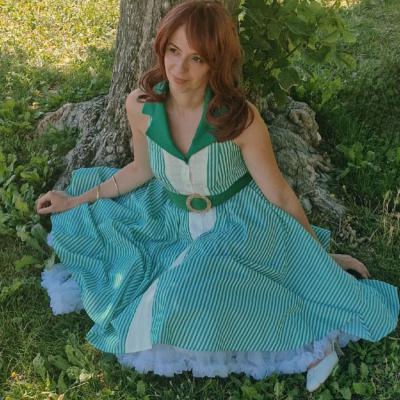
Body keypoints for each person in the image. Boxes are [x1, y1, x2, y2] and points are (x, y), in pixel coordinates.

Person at [36, 0, 399, 393]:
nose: (180, 69)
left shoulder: (239, 119)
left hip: (237, 223)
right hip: (170, 217)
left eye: (197, 58)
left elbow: (279, 195)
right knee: (133, 264)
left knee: (201, 288)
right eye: (173, 51)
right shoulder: (140, 106)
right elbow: (141, 169)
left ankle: (312, 345)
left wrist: (319, 258)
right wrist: (77, 201)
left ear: (216, 64)